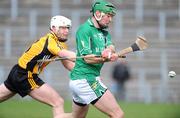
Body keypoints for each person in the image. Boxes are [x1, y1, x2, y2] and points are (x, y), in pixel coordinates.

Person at [0, 15, 76, 118]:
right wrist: (84, 57)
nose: (66, 31)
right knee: (58, 102)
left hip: (18, 72)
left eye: (67, 28)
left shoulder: (60, 44)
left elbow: (68, 64)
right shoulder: (51, 41)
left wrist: (86, 71)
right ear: (53, 28)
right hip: (26, 76)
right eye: (62, 28)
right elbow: (65, 55)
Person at [69, 1, 124, 118]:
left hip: (85, 79)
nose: (110, 20)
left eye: (111, 17)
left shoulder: (104, 32)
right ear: (98, 13)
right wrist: (107, 59)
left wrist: (109, 51)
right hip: (85, 79)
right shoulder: (84, 30)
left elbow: (111, 45)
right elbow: (88, 59)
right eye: (108, 16)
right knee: (118, 114)